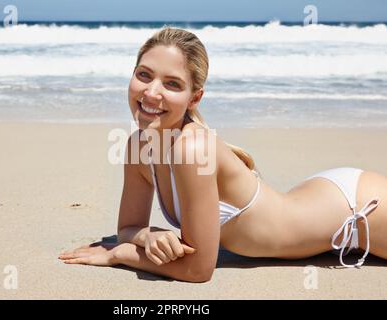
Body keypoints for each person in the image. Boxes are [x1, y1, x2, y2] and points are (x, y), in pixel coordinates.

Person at [58, 27, 387, 283]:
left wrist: (123, 254)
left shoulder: (192, 149)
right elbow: (129, 226)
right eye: (144, 74)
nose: (151, 92)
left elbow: (199, 271)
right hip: (317, 199)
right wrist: (148, 235)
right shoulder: (137, 145)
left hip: (357, 211)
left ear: (194, 98)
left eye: (172, 84)